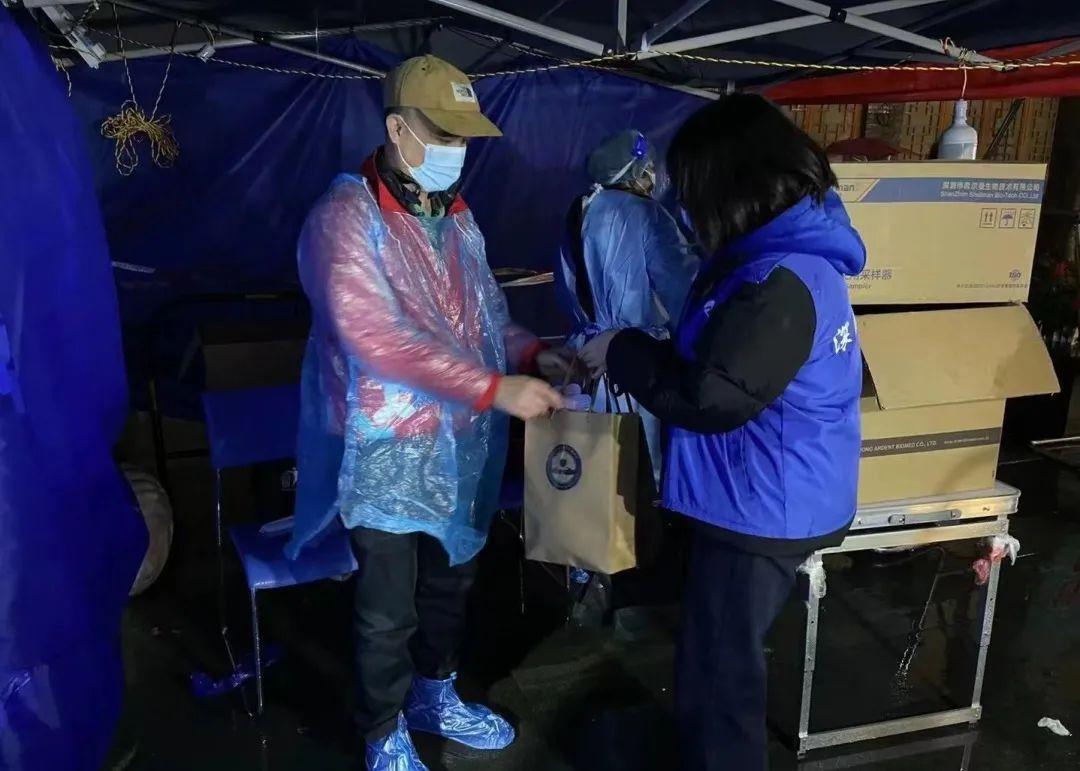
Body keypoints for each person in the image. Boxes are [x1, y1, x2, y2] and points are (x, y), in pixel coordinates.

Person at [287, 55, 566, 771]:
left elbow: (484, 320)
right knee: (388, 608)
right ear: (396, 129)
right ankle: (382, 729)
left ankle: (433, 695)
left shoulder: (456, 218)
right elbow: (372, 336)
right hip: (383, 448)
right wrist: (493, 388)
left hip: (458, 443)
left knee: (451, 584)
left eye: (462, 137)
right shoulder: (347, 217)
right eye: (441, 134)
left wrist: (534, 354)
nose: (454, 150)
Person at [581, 93, 866, 770]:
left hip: (764, 505)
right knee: (712, 656)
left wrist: (621, 347)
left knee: (721, 678)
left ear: (732, 184)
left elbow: (709, 395)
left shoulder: (781, 281)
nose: (681, 203)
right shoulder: (771, 255)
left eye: (690, 187)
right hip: (758, 488)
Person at [556, 129, 697, 481]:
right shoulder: (647, 215)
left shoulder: (578, 211)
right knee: (636, 474)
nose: (653, 178)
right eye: (648, 169)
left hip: (584, 358)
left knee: (586, 473)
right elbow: (683, 291)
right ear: (635, 170)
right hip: (632, 360)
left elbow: (566, 288)